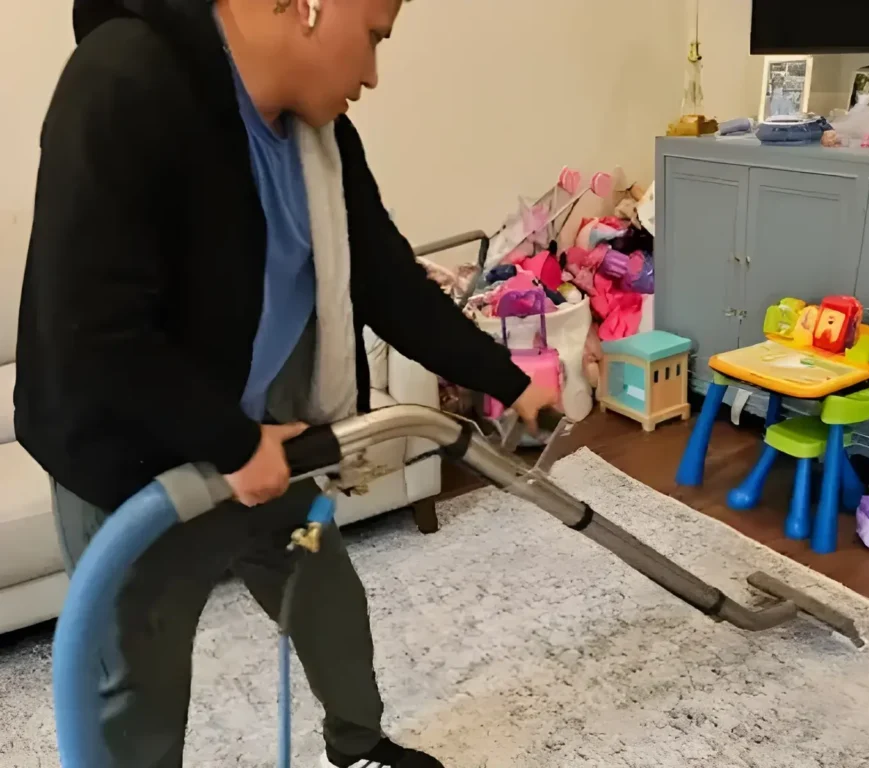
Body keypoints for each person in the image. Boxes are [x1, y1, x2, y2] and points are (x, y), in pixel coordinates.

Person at [15, 1, 558, 766]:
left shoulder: (321, 137)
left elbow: (386, 282)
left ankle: (359, 745)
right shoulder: (123, 81)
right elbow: (89, 329)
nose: (373, 73)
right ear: (308, 5)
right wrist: (232, 444)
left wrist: (507, 380)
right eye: (373, 38)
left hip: (266, 443)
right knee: (136, 692)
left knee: (326, 599)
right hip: (134, 470)